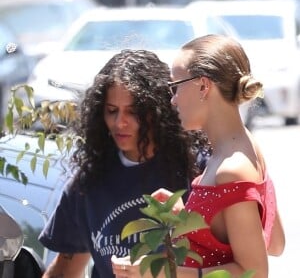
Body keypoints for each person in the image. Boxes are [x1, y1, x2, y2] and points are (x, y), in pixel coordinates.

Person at [111, 35, 285, 278]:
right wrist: (189, 219)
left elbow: (253, 272)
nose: (172, 100)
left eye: (175, 87)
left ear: (203, 86)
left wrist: (158, 273)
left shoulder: (232, 169)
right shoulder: (245, 148)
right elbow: (274, 242)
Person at [38, 49, 205, 278]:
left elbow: (235, 261)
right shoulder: (87, 184)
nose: (120, 123)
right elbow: (64, 271)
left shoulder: (196, 169)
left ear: (160, 110)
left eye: (133, 112)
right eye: (111, 111)